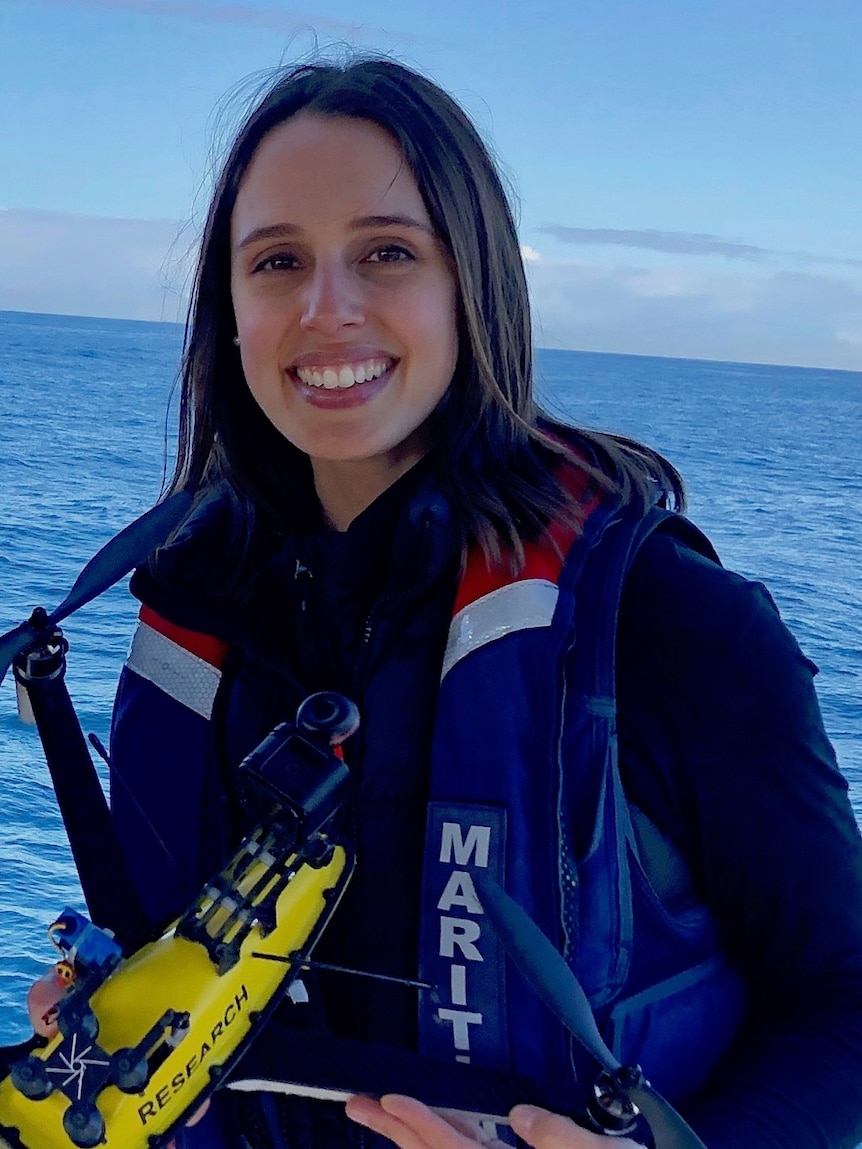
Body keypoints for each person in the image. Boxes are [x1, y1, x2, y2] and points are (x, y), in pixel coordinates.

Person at [29, 57, 862, 1149]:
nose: (326, 310)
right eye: (277, 261)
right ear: (228, 313)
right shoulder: (203, 607)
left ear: (472, 285)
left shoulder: (673, 626)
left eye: (386, 253)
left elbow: (844, 997)